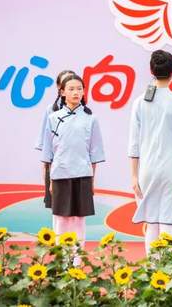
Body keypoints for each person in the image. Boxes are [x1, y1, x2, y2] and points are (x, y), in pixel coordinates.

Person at [128, 50, 172, 254]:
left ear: (151, 71)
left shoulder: (139, 102)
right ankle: (167, 268)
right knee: (169, 221)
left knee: (152, 222)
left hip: (147, 169)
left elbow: (134, 143)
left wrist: (134, 175)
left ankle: (152, 268)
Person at [41, 74, 104, 262]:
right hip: (59, 175)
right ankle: (62, 262)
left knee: (78, 221)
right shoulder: (53, 118)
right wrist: (49, 181)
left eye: (79, 89)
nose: (76, 92)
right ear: (62, 92)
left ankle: (77, 262)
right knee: (61, 220)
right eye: (71, 89)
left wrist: (92, 181)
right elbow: (48, 154)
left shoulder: (91, 119)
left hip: (83, 175)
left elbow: (95, 154)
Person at [35, 69, 75, 212]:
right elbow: (45, 149)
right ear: (59, 87)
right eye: (65, 82)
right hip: (56, 167)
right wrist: (47, 181)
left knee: (75, 211)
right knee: (57, 211)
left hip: (76, 167)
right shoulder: (51, 110)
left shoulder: (84, 111)